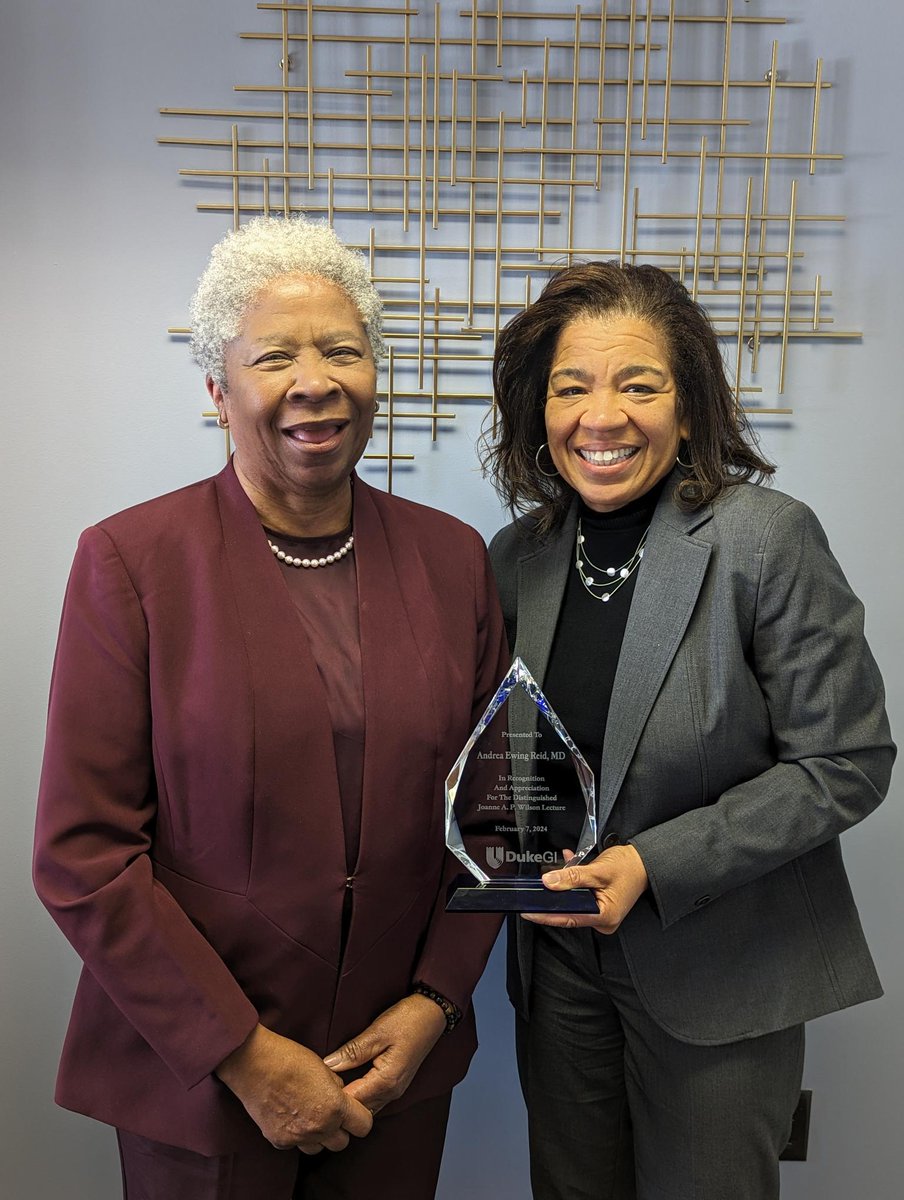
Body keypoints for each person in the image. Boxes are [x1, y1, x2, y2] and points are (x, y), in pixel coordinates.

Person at [33, 215, 508, 1200]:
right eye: (275, 356)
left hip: (392, 1073)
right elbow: (83, 855)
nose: (315, 380)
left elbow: (495, 814)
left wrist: (433, 1002)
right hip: (201, 1076)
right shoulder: (131, 563)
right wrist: (245, 1055)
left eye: (343, 350)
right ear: (217, 390)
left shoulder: (452, 559)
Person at [484, 261, 895, 1200]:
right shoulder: (519, 558)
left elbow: (847, 762)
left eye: (640, 383)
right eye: (571, 386)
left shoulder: (767, 539)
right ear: (538, 415)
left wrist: (653, 865)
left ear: (690, 403)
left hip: (722, 968)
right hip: (558, 969)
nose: (603, 414)